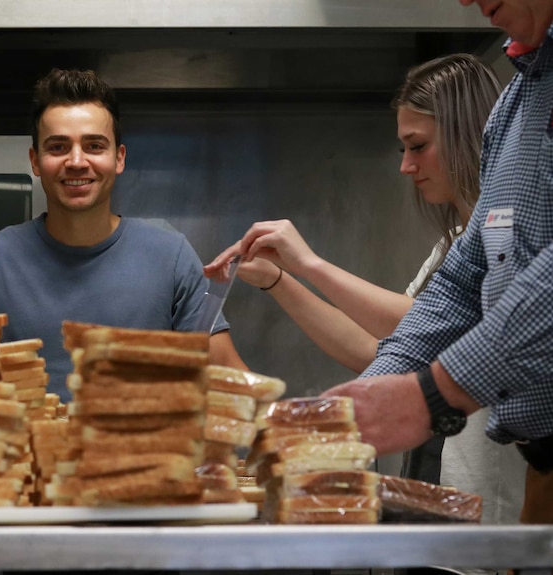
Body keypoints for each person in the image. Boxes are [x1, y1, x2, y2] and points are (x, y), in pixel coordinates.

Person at [205, 54, 525, 523]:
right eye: (403, 150)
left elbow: (423, 325)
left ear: (466, 136)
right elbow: (380, 351)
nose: (406, 166)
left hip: (497, 500)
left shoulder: (511, 238)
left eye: (417, 146)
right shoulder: (451, 247)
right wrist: (279, 280)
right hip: (443, 487)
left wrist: (311, 264)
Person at [317, 0, 553, 524]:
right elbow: (462, 285)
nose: (465, 0)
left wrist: (431, 395)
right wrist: (368, 399)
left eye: (417, 146)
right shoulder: (518, 103)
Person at [0, 68, 247, 401]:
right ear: (35, 161)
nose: (77, 161)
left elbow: (225, 375)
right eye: (58, 147)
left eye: (94, 145)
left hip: (144, 450)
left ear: (118, 158)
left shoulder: (169, 255)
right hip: (24, 452)